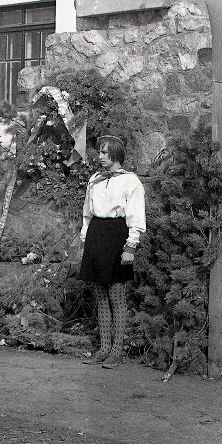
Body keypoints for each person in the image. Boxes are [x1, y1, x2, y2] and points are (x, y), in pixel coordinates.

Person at [79, 136, 146, 369]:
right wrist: (85, 240)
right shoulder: (94, 179)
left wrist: (130, 247)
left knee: (117, 296)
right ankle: (103, 348)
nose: (100, 157)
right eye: (99, 152)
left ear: (116, 154)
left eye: (104, 153)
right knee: (100, 297)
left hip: (117, 235)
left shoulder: (131, 181)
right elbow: (87, 213)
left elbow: (136, 215)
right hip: (96, 234)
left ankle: (117, 351)